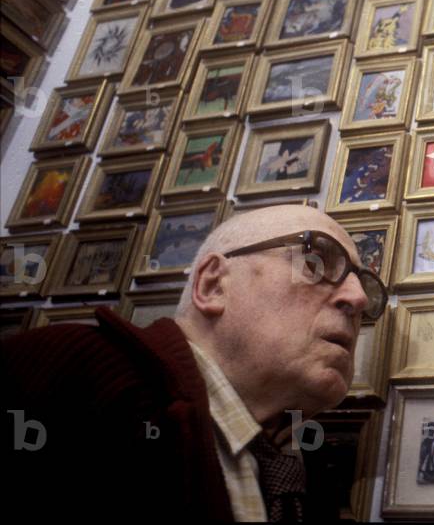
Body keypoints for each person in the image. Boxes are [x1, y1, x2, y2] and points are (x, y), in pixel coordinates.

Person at [2, 204, 388, 521]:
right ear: (213, 285)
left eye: (365, 287)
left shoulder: (301, 475)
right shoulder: (69, 373)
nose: (357, 299)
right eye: (316, 263)